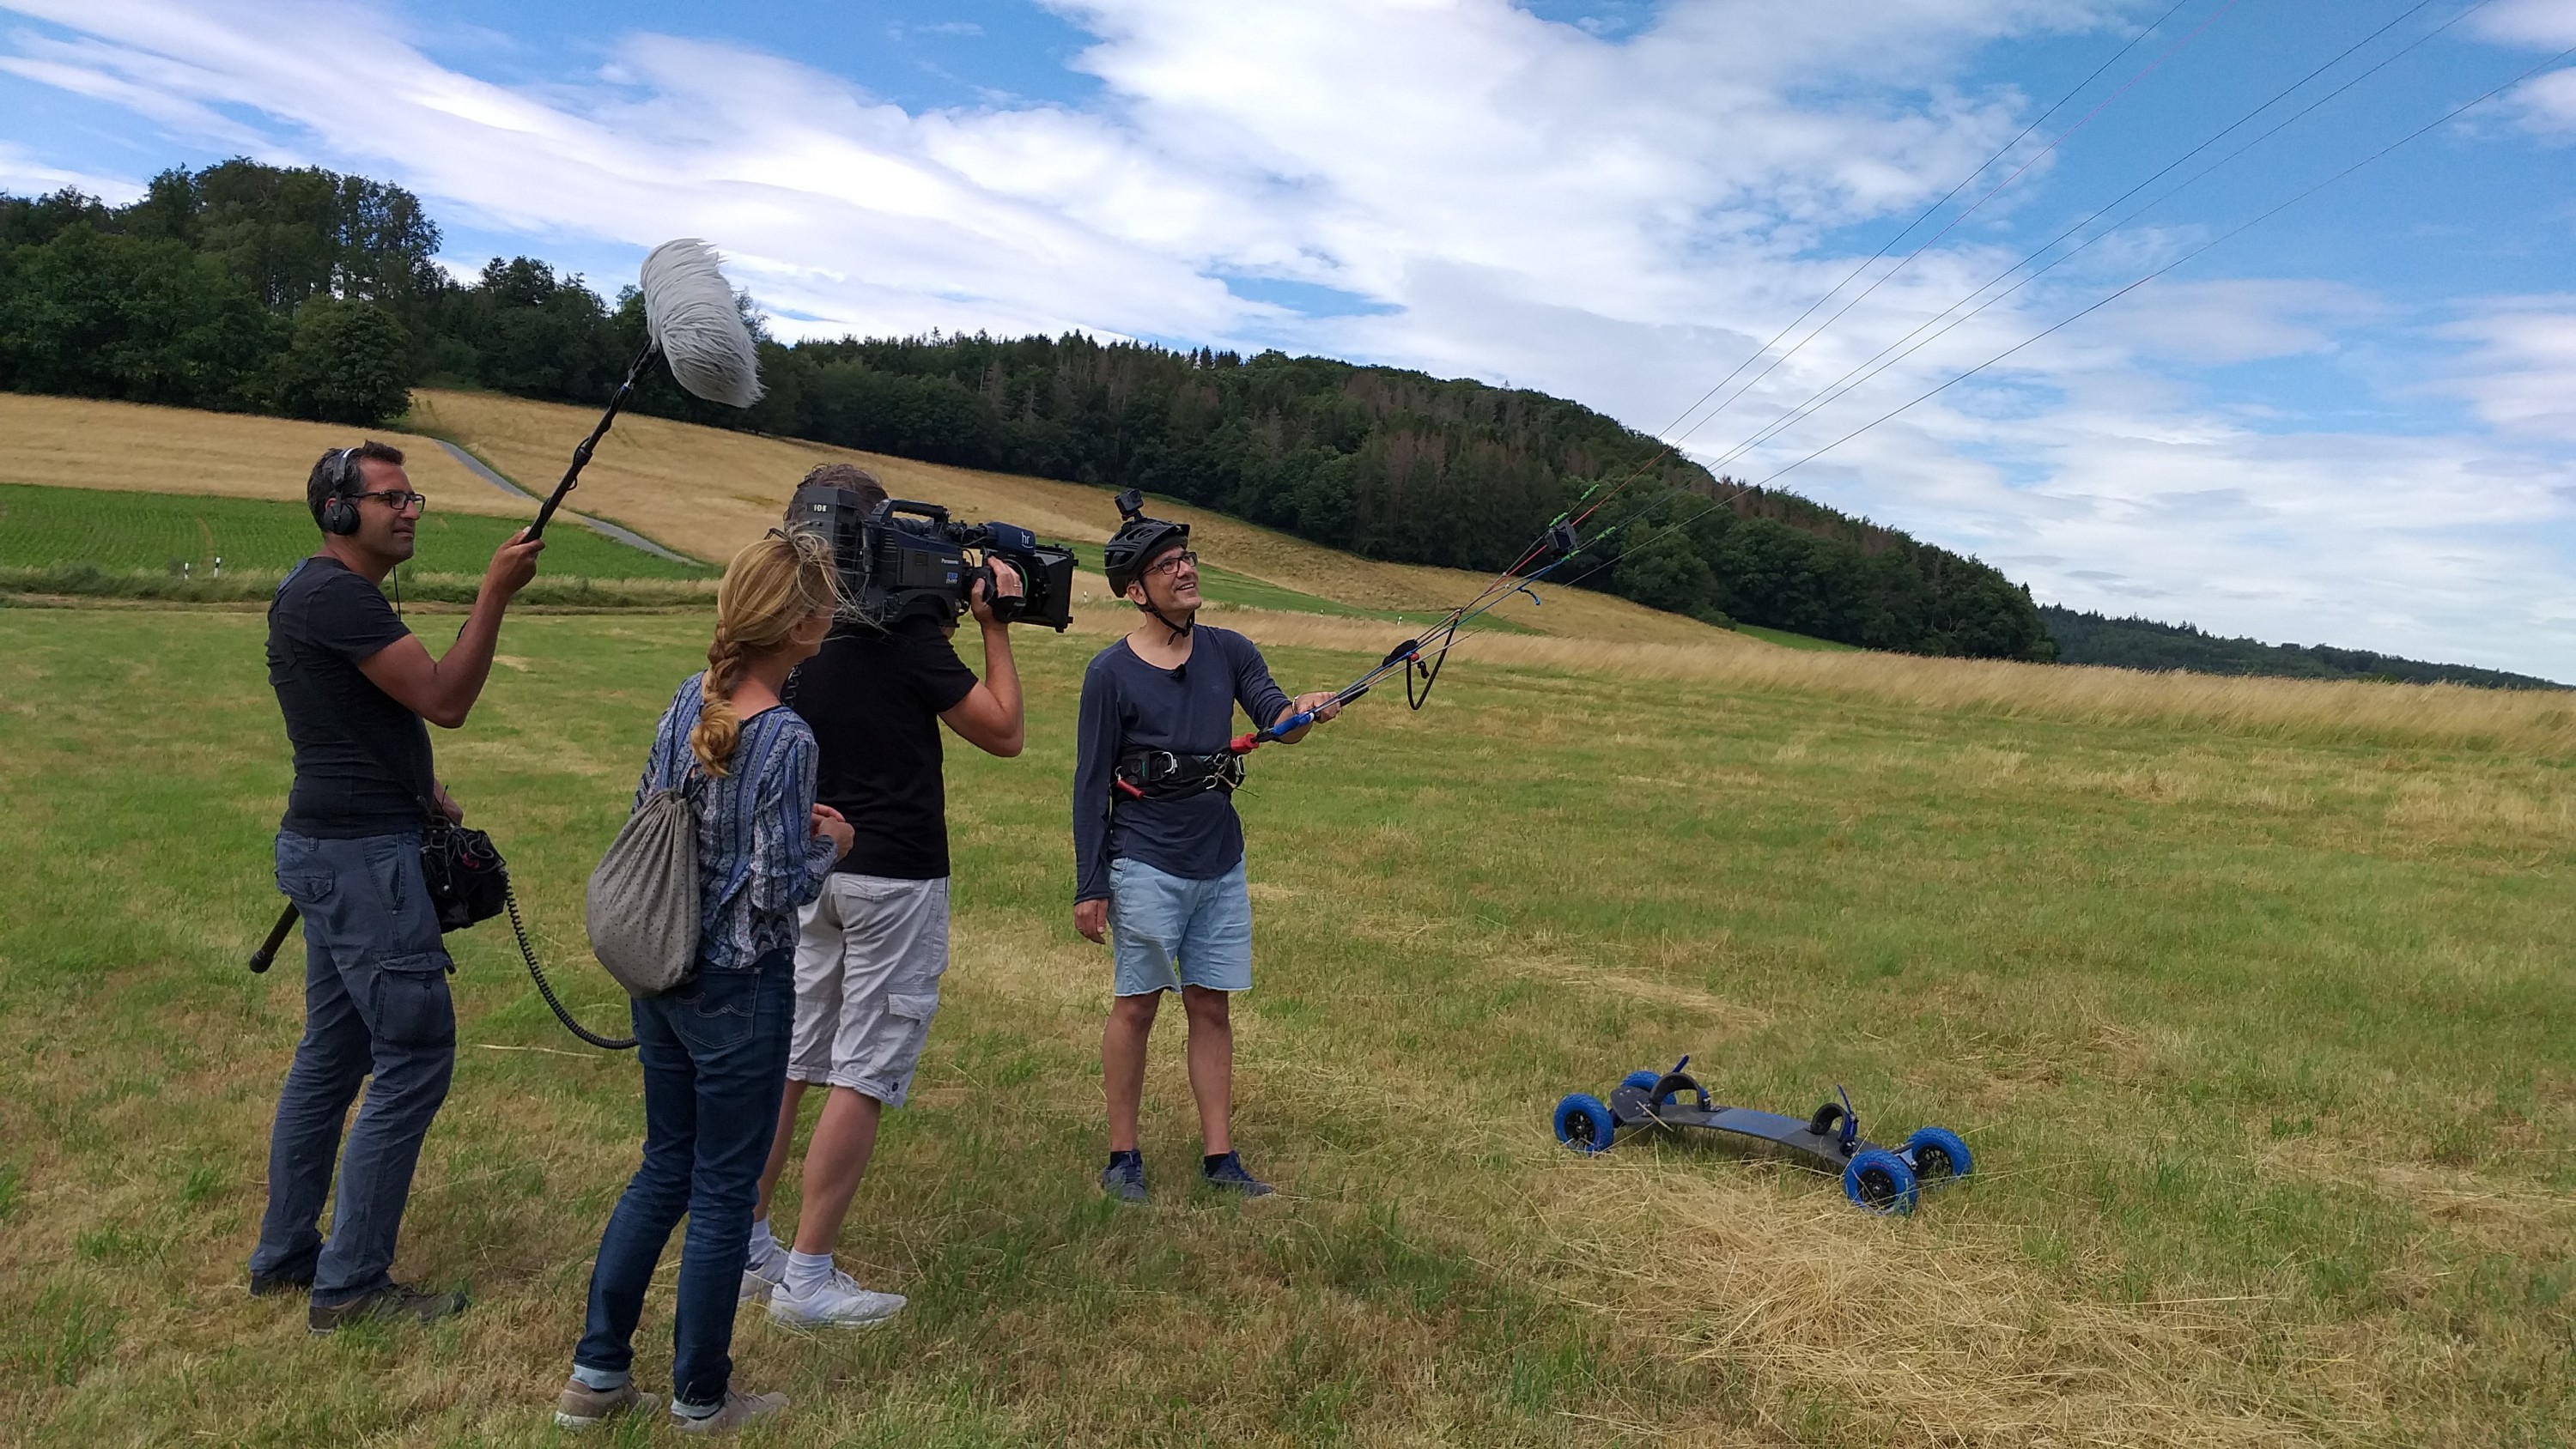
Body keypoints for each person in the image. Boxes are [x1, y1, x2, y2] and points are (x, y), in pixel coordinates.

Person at [557, 529, 851, 1435]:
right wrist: (831, 844)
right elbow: (773, 893)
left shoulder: (692, 697)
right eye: (826, 601)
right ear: (800, 623)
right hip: (740, 988)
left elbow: (663, 811)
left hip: (664, 971)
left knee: (662, 1170)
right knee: (725, 1191)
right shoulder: (788, 734)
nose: (834, 613)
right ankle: (701, 1395)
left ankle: (596, 1371)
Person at [248, 442, 542, 1331]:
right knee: (413, 1058)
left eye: (413, 494)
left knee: (331, 1058)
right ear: (338, 510)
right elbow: (446, 697)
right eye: (389, 498)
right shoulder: (336, 595)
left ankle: (287, 1254)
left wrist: (424, 791)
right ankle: (349, 1286)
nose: (409, 509)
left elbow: (355, 721)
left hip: (338, 842)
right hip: (359, 863)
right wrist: (493, 593)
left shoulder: (321, 592)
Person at [747, 464, 1028, 1329]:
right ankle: (809, 1275)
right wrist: (995, 626)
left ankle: (747, 1243)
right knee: (862, 1068)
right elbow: (1004, 731)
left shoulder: (786, 631)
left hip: (807, 864)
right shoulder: (902, 636)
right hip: (894, 872)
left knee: (792, 1061)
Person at [1072, 494, 1340, 1202]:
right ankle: (1122, 1155)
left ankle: (1220, 1158)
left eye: (1186, 558)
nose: (1185, 571)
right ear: (1137, 591)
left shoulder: (1230, 649)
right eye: (1167, 566)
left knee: (1211, 1005)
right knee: (1137, 1005)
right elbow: (1088, 784)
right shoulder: (1108, 674)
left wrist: (1303, 711)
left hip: (1219, 855)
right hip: (1143, 857)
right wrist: (1089, 883)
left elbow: (1277, 717)